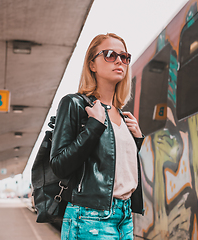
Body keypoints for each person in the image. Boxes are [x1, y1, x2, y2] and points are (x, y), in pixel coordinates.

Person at [50, 33, 144, 240]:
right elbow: (59, 164)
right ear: (92, 64)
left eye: (124, 56)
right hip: (89, 217)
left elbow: (114, 165)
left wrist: (136, 140)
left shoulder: (122, 115)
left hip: (124, 218)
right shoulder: (74, 104)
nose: (119, 61)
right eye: (110, 55)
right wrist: (93, 126)